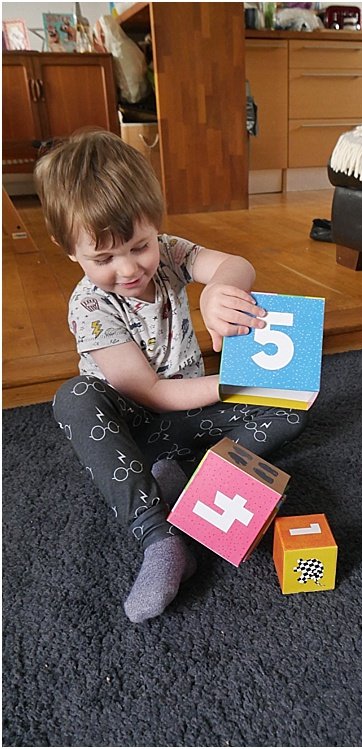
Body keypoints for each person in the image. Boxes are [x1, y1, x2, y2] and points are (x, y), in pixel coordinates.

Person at [35, 130, 307, 623]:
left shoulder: (169, 252)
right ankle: (158, 537)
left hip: (185, 421)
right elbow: (153, 393)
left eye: (139, 246)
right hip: (128, 430)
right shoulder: (91, 306)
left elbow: (236, 264)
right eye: (103, 258)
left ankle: (186, 475)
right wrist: (230, 384)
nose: (128, 268)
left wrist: (214, 292)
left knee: (290, 405)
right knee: (73, 397)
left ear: (153, 225)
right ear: (68, 249)